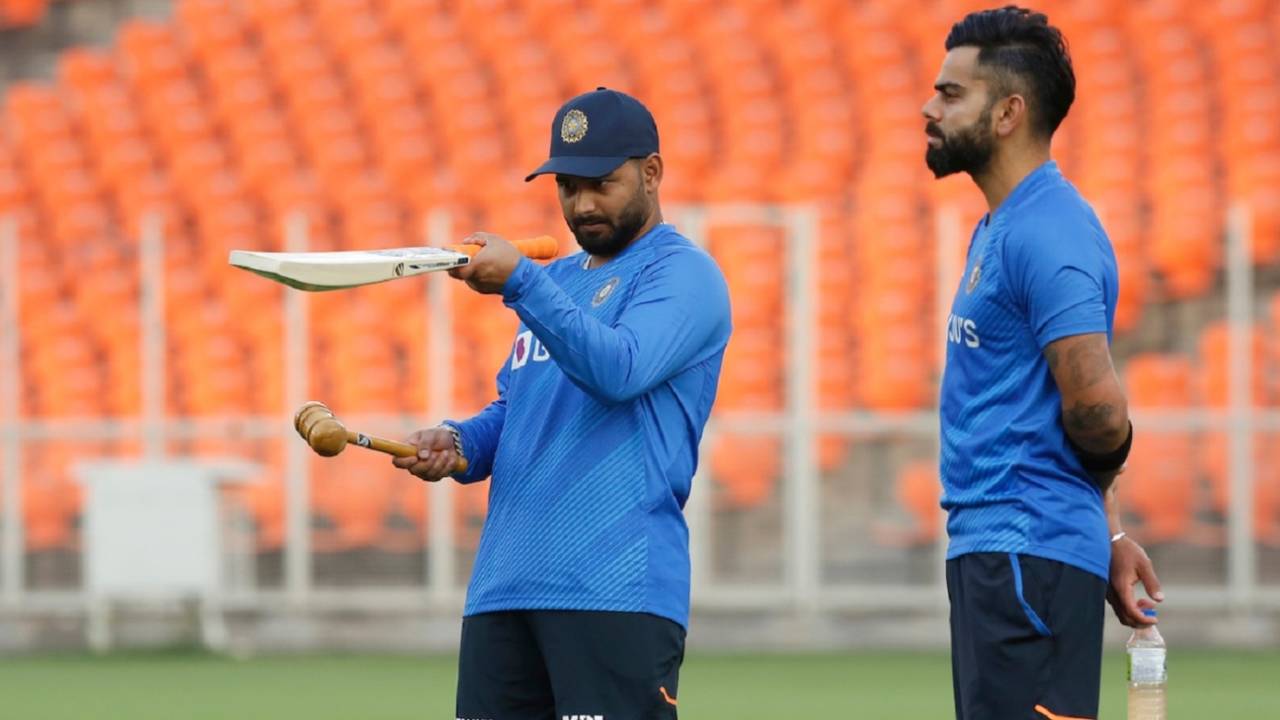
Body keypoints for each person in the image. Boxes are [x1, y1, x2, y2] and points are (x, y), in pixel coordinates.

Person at [392, 88, 731, 720]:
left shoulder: (684, 275)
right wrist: (461, 441)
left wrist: (522, 282)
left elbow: (618, 370)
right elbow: (520, 407)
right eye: (568, 187)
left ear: (651, 173)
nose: (583, 204)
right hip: (503, 587)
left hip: (613, 587)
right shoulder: (559, 281)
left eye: (602, 184)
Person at [923, 7, 1164, 719]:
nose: (930, 109)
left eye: (951, 94)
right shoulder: (1003, 224)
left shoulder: (1048, 230)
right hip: (1005, 552)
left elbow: (1096, 409)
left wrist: (1089, 513)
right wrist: (1106, 528)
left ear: (1008, 113)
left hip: (1026, 555)